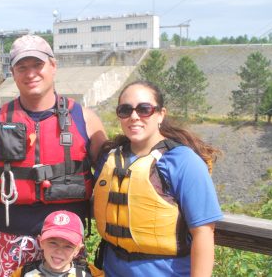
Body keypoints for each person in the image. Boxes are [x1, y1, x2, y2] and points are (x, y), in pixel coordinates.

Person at [0, 34, 107, 277]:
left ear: (53, 66)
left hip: (67, 247)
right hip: (10, 246)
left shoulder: (86, 120)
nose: (30, 73)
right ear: (13, 72)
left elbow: (110, 179)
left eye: (37, 65)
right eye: (22, 67)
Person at [93, 80, 223, 276]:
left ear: (161, 114)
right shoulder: (110, 158)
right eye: (125, 110)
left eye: (144, 109)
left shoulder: (184, 162)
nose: (134, 116)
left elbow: (204, 233)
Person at [12, 210, 103, 277]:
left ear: (78, 249)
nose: (59, 251)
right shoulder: (24, 272)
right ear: (41, 242)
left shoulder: (89, 273)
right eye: (53, 243)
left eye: (68, 246)